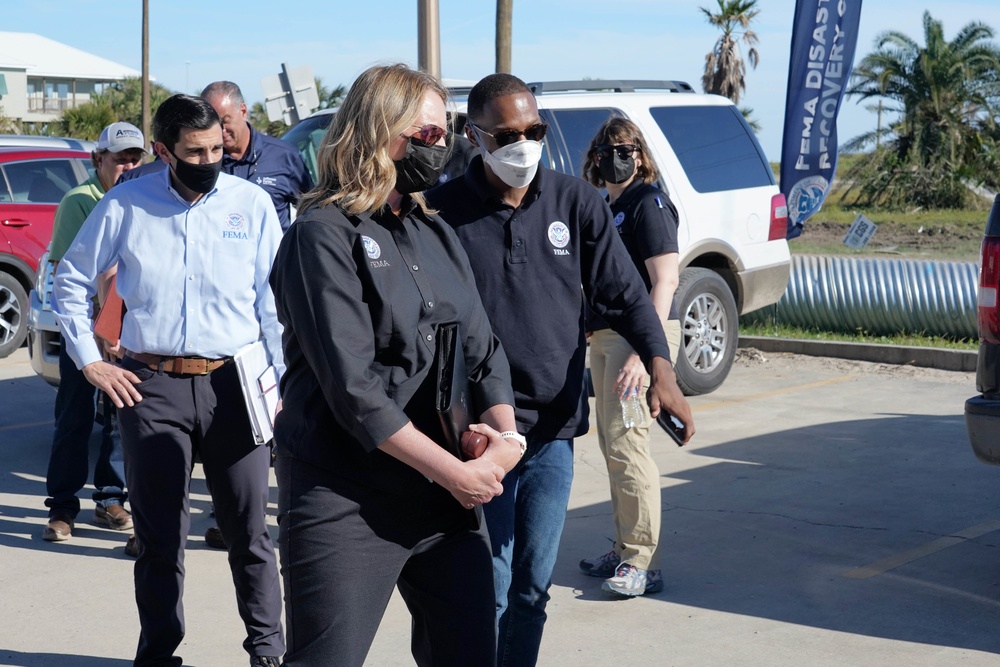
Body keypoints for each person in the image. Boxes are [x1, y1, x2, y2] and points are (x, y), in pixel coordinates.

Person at [425, 73, 695, 666]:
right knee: (489, 586)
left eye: (534, 130)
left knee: (531, 589)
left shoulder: (577, 201)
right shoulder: (441, 211)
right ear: (474, 136)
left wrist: (661, 366)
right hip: (482, 434)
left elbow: (627, 295)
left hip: (552, 432)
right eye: (507, 135)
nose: (524, 144)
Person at [269, 63, 523, 667]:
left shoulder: (436, 232)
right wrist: (456, 473)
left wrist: (506, 439)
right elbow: (354, 390)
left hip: (443, 496)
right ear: (375, 130)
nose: (442, 148)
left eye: (447, 133)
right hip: (346, 498)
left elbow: (483, 351)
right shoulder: (320, 235)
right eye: (426, 135)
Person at [52, 94, 285, 667]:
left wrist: (282, 384)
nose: (210, 160)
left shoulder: (250, 204)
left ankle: (268, 653)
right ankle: (158, 654)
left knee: (250, 534)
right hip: (150, 386)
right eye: (195, 151)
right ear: (164, 151)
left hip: (237, 387)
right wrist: (89, 360)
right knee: (159, 539)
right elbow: (71, 281)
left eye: (217, 149)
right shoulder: (125, 204)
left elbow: (274, 303)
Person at [578, 117, 683, 596]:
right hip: (607, 338)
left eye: (626, 148)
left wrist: (648, 352)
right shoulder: (608, 205)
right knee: (613, 449)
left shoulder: (648, 203)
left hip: (635, 342)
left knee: (628, 447)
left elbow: (665, 280)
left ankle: (643, 562)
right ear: (595, 158)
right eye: (607, 149)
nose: (616, 156)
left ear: (640, 155)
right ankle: (623, 549)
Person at [41, 122, 145, 542]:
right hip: (86, 331)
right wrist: (94, 333)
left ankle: (109, 498)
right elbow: (68, 274)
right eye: (120, 158)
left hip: (127, 332)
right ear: (97, 160)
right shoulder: (79, 201)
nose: (128, 165)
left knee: (120, 420)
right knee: (75, 416)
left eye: (135, 158)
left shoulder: (143, 200)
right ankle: (63, 508)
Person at [201, 81, 314, 231]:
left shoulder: (284, 156)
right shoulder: (203, 161)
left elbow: (310, 211)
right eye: (212, 123)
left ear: (243, 111)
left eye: (225, 121)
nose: (220, 130)